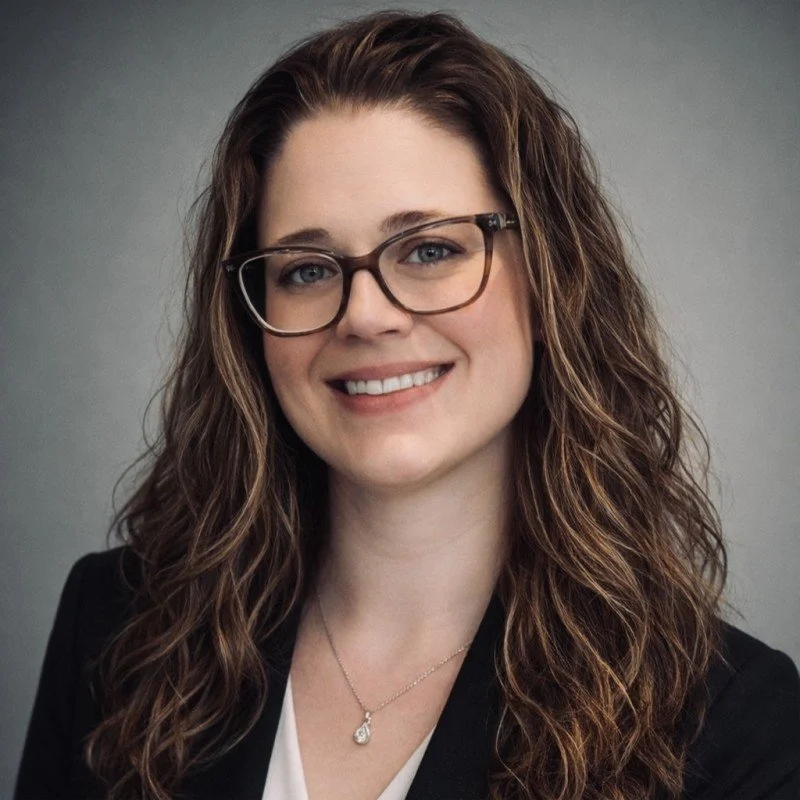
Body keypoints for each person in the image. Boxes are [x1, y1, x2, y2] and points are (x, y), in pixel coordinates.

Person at [14, 10, 800, 800]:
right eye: (307, 268)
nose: (365, 315)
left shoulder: (733, 723)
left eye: (430, 249)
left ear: (552, 276)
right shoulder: (114, 629)